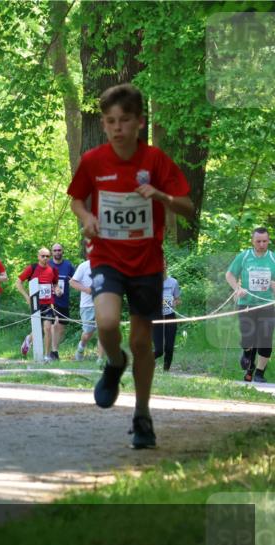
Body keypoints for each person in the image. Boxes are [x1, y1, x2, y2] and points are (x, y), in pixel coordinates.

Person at [68, 83, 193, 449]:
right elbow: (77, 199)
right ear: (103, 124)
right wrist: (87, 217)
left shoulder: (155, 161)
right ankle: (113, 362)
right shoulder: (94, 161)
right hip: (106, 257)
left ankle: (142, 415)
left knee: (141, 342)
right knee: (106, 323)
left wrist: (161, 195)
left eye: (124, 120)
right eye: (110, 121)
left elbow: (187, 206)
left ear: (139, 122)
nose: (117, 128)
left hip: (146, 262)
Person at [225, 227, 275, 383]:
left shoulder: (273, 258)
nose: (262, 244)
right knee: (248, 337)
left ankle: (259, 373)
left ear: (268, 241)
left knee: (265, 338)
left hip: (267, 305)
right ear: (252, 241)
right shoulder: (244, 256)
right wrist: (237, 288)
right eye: (258, 241)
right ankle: (248, 357)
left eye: (265, 241)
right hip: (246, 304)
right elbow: (229, 275)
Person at [15, 248, 61, 362]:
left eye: (47, 256)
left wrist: (57, 289)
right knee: (37, 329)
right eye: (43, 256)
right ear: (38, 256)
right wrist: (27, 297)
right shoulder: (32, 268)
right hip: (35, 303)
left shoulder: (53, 270)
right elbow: (18, 282)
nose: (45, 258)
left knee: (48, 328)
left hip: (48, 304)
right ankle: (28, 339)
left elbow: (55, 284)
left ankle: (46, 356)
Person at [69, 258, 103, 362]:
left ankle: (100, 359)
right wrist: (86, 289)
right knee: (88, 333)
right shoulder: (84, 266)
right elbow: (72, 282)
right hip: (87, 305)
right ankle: (81, 348)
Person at [48, 243, 75, 361]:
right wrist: (54, 288)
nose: (57, 252)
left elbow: (75, 279)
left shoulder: (68, 265)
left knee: (61, 328)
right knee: (54, 324)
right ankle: (54, 353)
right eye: (55, 250)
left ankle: (29, 339)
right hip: (50, 300)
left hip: (63, 300)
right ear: (52, 252)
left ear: (62, 251)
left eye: (59, 250)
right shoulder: (48, 265)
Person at [154, 259, 181, 371]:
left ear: (167, 267)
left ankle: (166, 371)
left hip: (170, 317)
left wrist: (174, 303)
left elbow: (178, 299)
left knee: (169, 347)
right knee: (159, 350)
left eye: (164, 265)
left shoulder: (173, 282)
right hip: (157, 318)